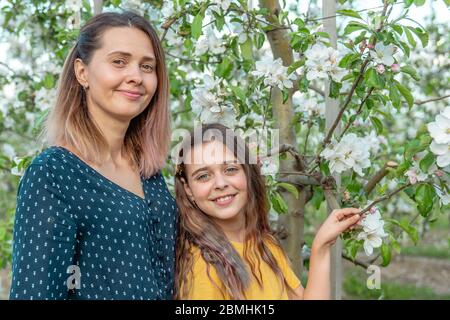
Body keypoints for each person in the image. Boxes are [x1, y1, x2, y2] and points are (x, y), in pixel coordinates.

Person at [9, 11, 177, 300]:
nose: (136, 76)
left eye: (147, 67)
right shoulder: (54, 174)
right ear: (82, 72)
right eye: (119, 62)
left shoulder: (149, 173)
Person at [174, 123, 361, 299]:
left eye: (230, 169)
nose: (221, 184)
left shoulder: (265, 244)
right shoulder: (201, 267)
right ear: (188, 189)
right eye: (204, 176)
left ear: (247, 172)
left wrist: (321, 246)